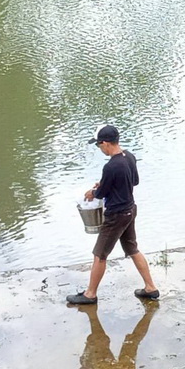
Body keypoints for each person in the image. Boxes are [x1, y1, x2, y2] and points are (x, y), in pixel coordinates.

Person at [66, 124, 159, 304]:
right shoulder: (129, 156)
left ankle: (90, 294)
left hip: (116, 215)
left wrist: (92, 192)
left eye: (98, 145)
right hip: (130, 210)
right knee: (132, 249)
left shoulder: (111, 166)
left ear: (105, 143)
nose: (99, 148)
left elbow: (100, 194)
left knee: (100, 254)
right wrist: (106, 184)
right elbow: (134, 181)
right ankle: (150, 287)